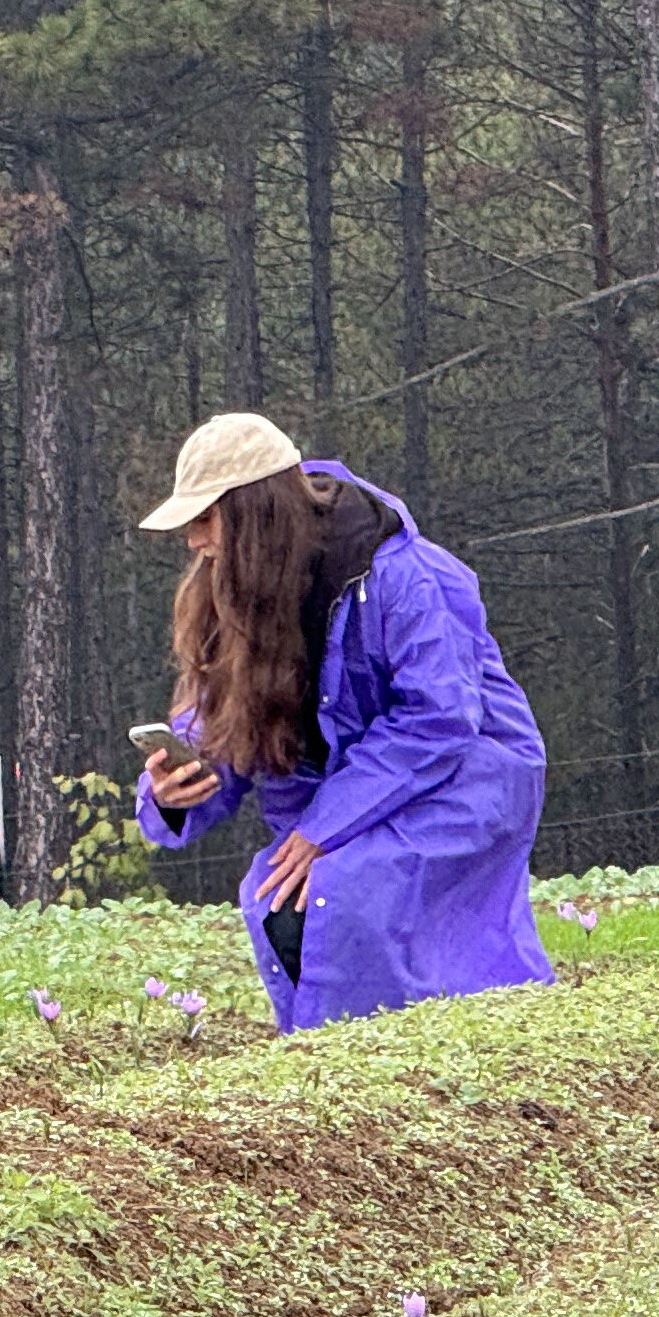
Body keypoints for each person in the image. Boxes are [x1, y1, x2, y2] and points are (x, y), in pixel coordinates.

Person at [132, 412, 551, 1033]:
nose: (193, 540)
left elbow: (440, 717)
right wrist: (174, 790)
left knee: (343, 891)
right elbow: (220, 719)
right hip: (354, 792)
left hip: (465, 776)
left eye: (204, 518)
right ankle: (347, 1053)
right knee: (275, 897)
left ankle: (401, 1048)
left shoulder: (405, 574)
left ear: (253, 513)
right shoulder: (234, 584)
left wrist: (324, 829)